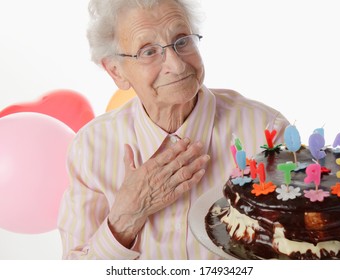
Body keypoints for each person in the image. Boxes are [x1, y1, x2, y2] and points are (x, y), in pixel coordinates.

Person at [57, 0, 290, 260]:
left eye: (182, 40)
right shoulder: (91, 148)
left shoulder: (266, 131)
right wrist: (125, 217)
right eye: (148, 51)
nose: (177, 66)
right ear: (116, 71)